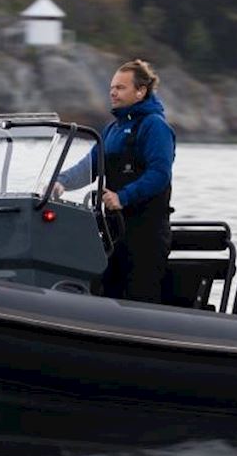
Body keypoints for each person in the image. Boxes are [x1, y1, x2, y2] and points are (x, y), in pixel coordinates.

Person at [54, 59, 176, 302]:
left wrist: (123, 196)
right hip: (113, 231)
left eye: (120, 87)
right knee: (103, 290)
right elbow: (90, 166)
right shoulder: (112, 130)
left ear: (140, 91)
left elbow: (160, 175)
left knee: (140, 296)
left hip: (146, 233)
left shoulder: (155, 127)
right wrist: (61, 182)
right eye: (112, 87)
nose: (112, 92)